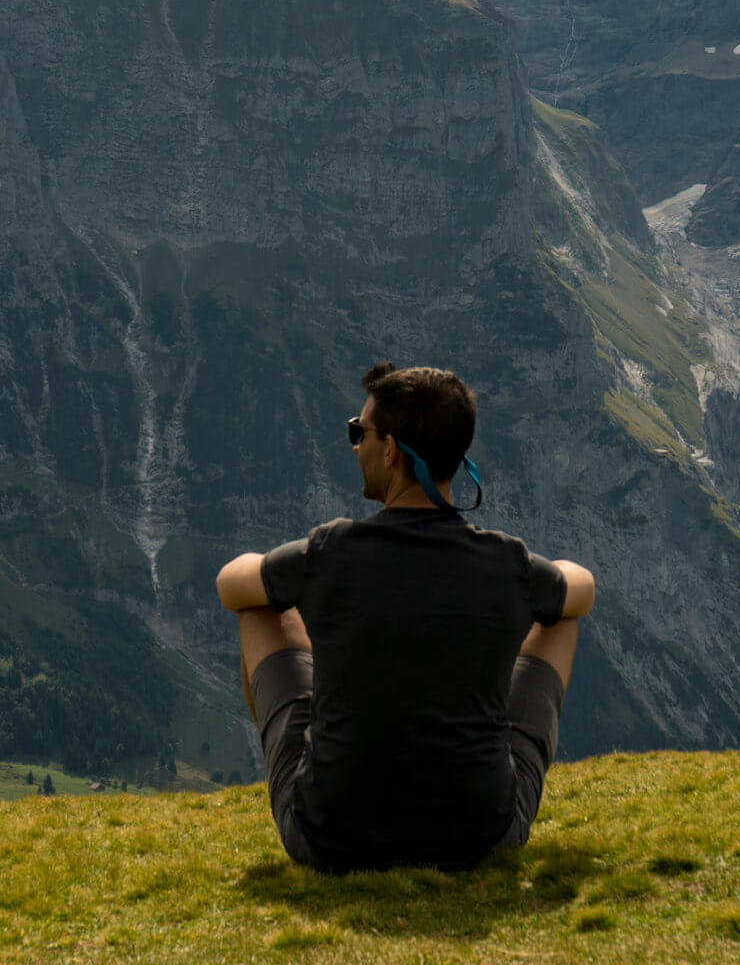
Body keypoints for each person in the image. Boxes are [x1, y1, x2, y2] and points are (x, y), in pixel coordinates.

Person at [215, 361, 595, 872]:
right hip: (480, 835)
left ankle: (310, 760)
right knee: (560, 616)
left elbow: (229, 585)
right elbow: (582, 590)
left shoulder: (329, 551)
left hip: (329, 836)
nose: (356, 444)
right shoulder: (508, 563)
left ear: (391, 451)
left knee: (260, 603)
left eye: (360, 432)